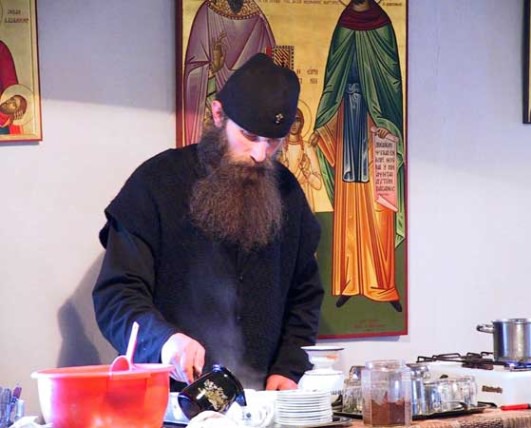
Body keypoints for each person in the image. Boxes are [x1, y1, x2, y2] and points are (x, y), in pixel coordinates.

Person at [93, 53, 324, 392]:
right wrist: (164, 341)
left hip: (260, 406)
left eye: (273, 141)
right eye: (249, 135)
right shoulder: (156, 183)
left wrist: (288, 367)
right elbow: (116, 296)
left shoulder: (287, 192)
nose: (261, 154)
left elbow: (304, 296)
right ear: (218, 114)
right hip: (167, 403)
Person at [309, 0, 405, 310]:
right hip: (346, 127)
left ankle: (384, 287)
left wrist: (384, 121)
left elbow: (390, 86)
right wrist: (323, 125)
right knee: (349, 211)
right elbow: (332, 84)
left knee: (380, 211)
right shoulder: (343, 24)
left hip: (378, 134)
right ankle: (350, 282)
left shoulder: (384, 26)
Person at [183, 0, 275, 146]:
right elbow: (194, 71)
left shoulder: (257, 18)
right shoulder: (207, 13)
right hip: (213, 106)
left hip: (248, 110)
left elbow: (270, 72)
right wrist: (213, 70)